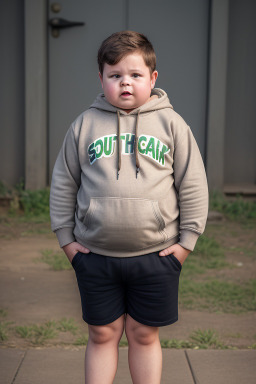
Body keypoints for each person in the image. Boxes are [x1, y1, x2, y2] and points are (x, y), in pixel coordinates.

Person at [50, 30, 208, 384]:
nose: (125, 83)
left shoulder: (172, 125)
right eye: (115, 75)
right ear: (101, 78)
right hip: (95, 255)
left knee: (143, 334)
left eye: (135, 75)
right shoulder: (84, 126)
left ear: (152, 78)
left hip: (156, 256)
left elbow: (193, 184)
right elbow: (63, 183)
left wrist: (185, 244)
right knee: (102, 334)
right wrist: (67, 242)